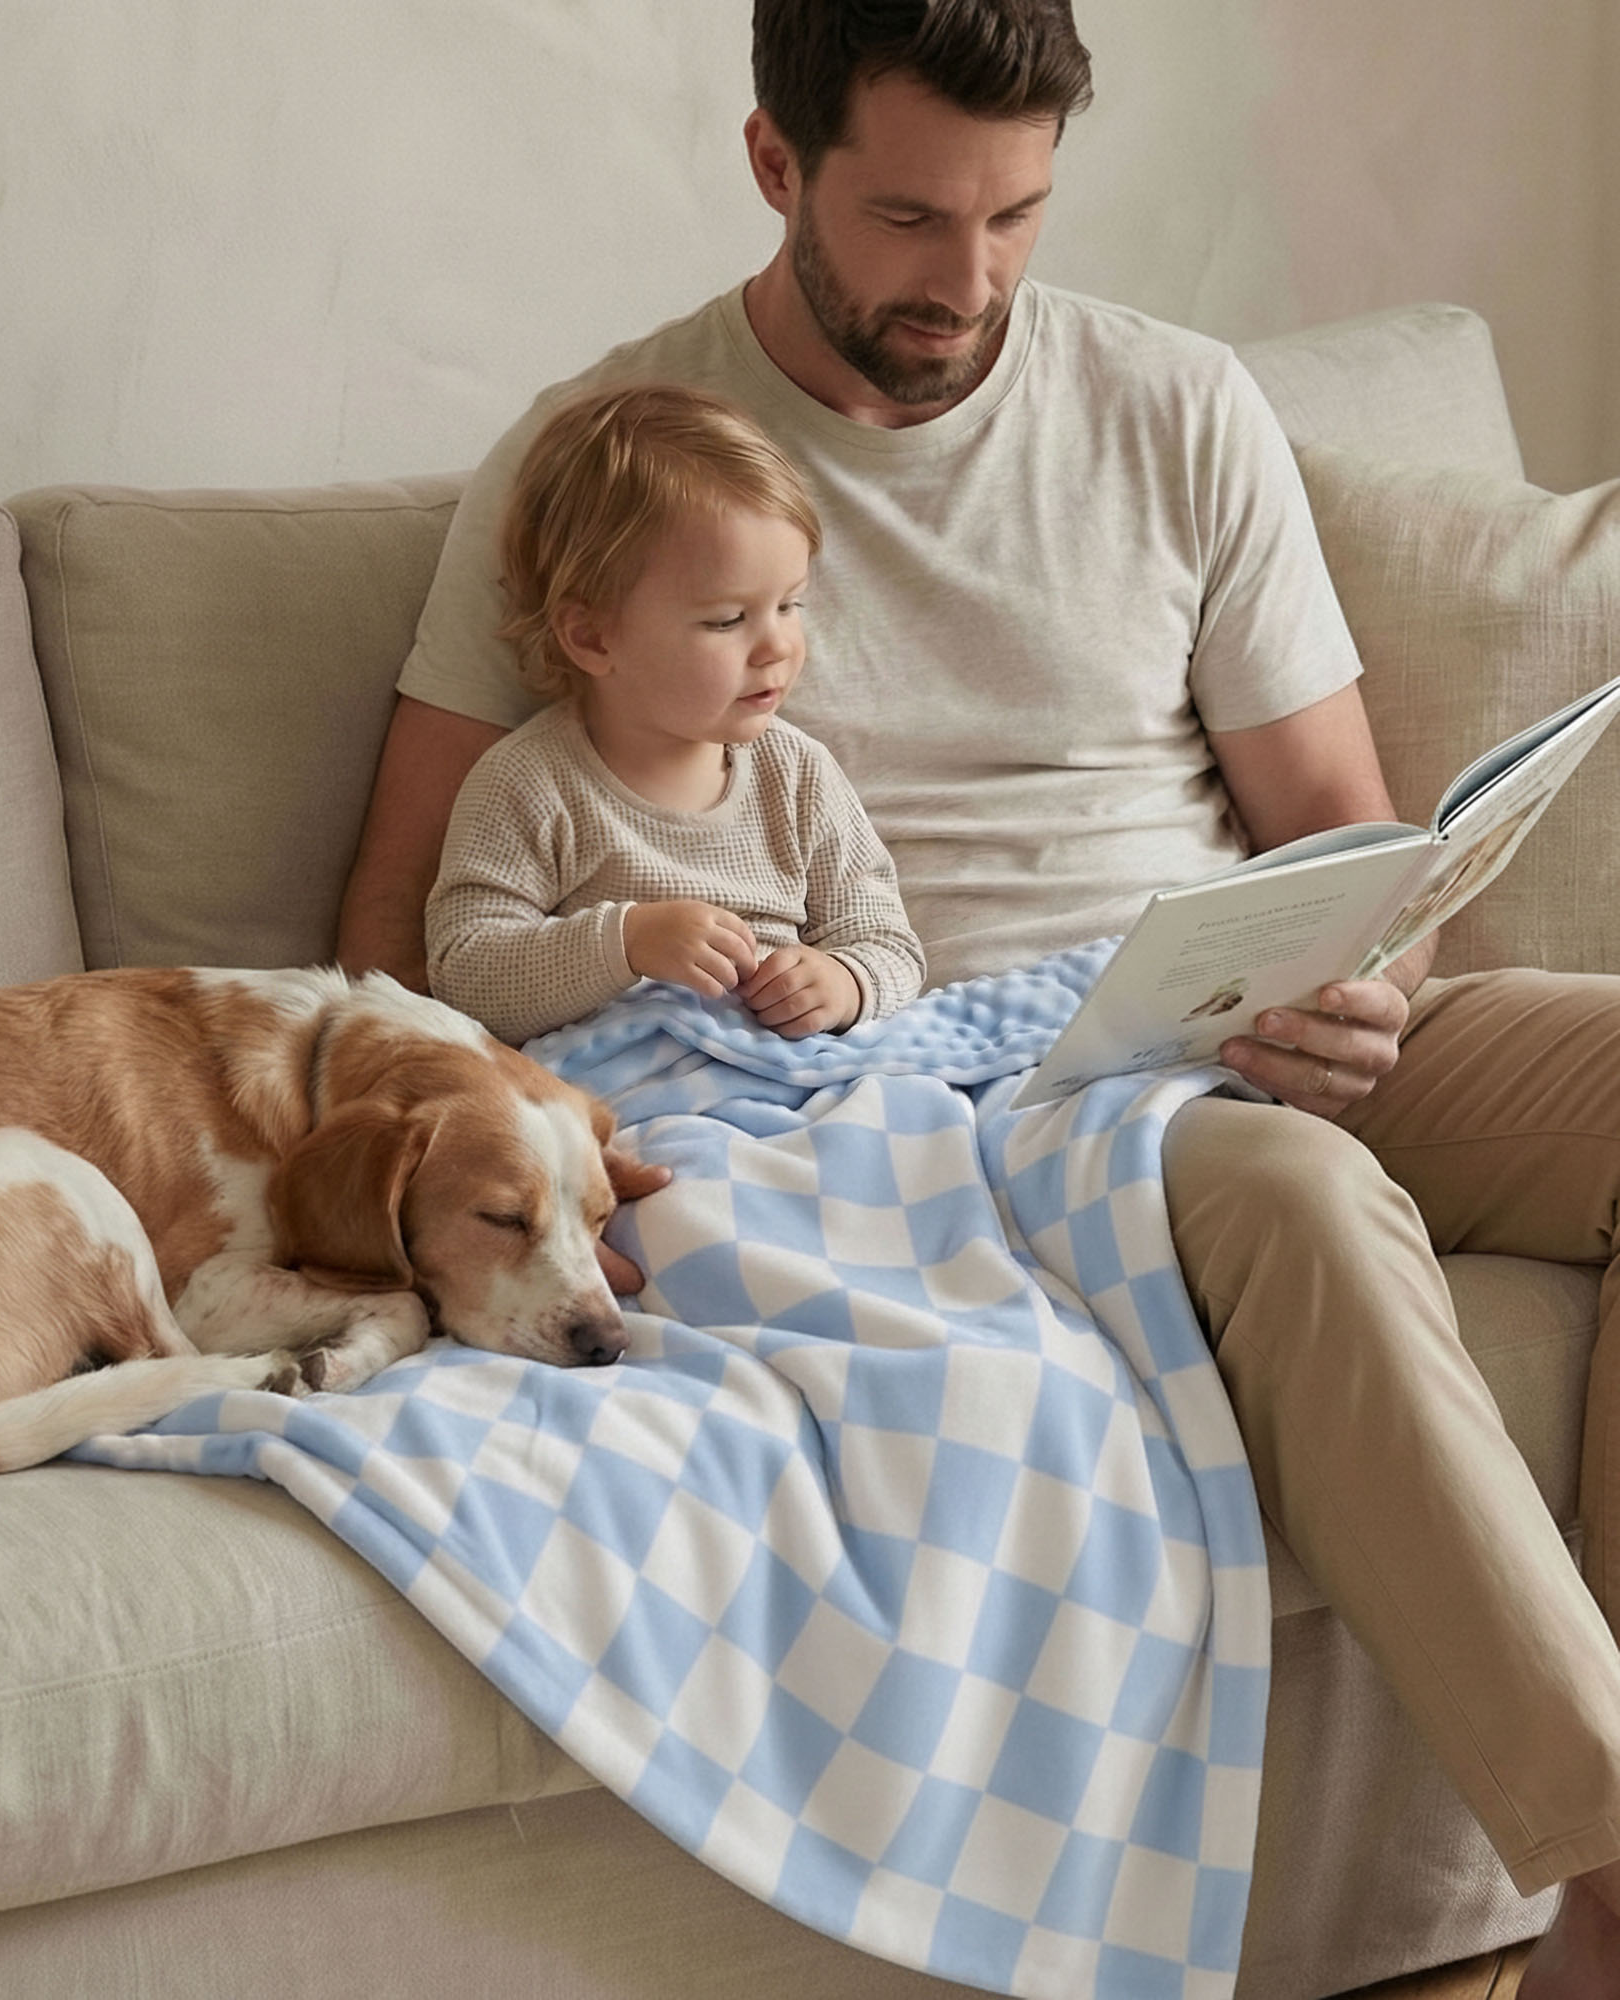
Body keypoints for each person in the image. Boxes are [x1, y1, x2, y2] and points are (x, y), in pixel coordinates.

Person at [337, 3, 1620, 1988]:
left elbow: (1339, 825)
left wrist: (1354, 976)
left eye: (1015, 215)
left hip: (1240, 1008)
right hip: (968, 1105)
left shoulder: (1175, 408)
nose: (972, 281)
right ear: (777, 167)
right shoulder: (615, 459)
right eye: (914, 220)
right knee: (1295, 1203)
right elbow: (394, 938)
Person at [425, 383, 926, 1045]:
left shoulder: (798, 775)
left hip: (797, 1079)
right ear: (595, 637)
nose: (778, 645)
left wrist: (843, 982)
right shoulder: (529, 786)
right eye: (727, 620)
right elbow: (464, 975)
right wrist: (625, 943)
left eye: (791, 605)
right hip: (632, 1095)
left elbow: (890, 943)